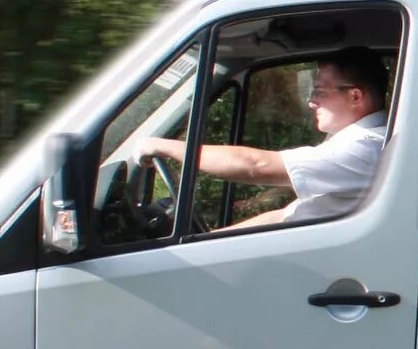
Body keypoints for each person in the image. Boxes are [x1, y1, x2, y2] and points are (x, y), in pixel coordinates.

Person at [133, 47, 391, 229]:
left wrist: (164, 146)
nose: (312, 102)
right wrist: (210, 241)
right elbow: (285, 216)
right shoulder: (356, 143)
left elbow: (256, 165)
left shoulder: (365, 147)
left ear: (355, 97)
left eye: (320, 92)